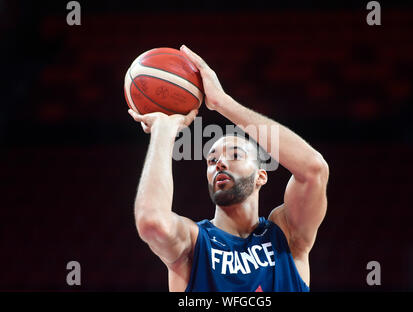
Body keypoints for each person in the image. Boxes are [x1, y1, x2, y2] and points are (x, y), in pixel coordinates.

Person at [128, 45, 329, 292]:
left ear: (261, 176)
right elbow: (151, 222)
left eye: (235, 155)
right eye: (211, 161)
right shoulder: (193, 244)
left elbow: (313, 169)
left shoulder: (286, 235)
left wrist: (221, 102)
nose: (220, 163)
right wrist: (164, 130)